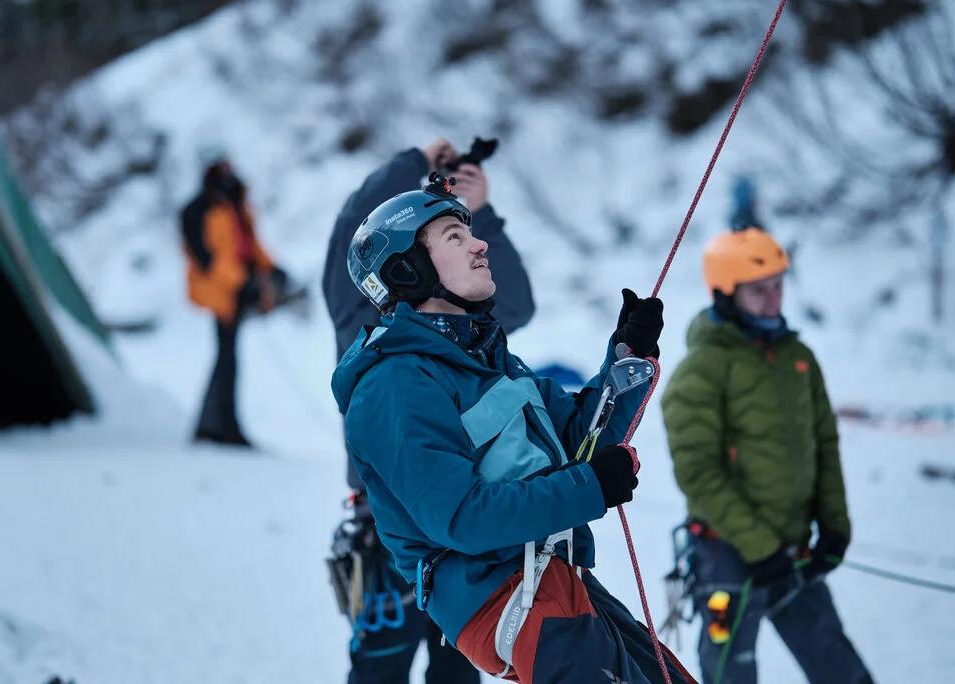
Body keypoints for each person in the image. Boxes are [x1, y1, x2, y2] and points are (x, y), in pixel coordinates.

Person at [329, 172, 695, 684]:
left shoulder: (491, 361)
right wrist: (591, 485)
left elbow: (578, 442)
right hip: (501, 596)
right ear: (405, 271)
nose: (480, 244)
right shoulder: (393, 385)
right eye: (454, 237)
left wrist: (628, 358)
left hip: (556, 576)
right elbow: (461, 516)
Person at [322, 137, 536, 684]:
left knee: (457, 676)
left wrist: (479, 213)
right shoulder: (362, 309)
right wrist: (415, 160)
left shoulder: (466, 319)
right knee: (380, 668)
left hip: (469, 536)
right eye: (451, 236)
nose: (471, 246)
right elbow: (356, 221)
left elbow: (515, 304)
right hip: (389, 532)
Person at [659, 225, 874, 684]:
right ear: (726, 293)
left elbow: (825, 443)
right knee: (728, 670)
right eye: (759, 290)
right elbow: (696, 471)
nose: (774, 299)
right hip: (724, 554)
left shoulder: (797, 357)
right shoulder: (702, 368)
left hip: (792, 548)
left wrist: (834, 526)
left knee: (838, 664)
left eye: (778, 285)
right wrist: (758, 547)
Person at [181, 149, 302, 448]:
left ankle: (211, 425)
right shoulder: (197, 210)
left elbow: (249, 245)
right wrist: (243, 280)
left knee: (227, 357)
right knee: (227, 358)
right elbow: (206, 258)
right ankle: (223, 426)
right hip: (220, 293)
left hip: (237, 289)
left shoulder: (236, 202)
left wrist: (272, 268)